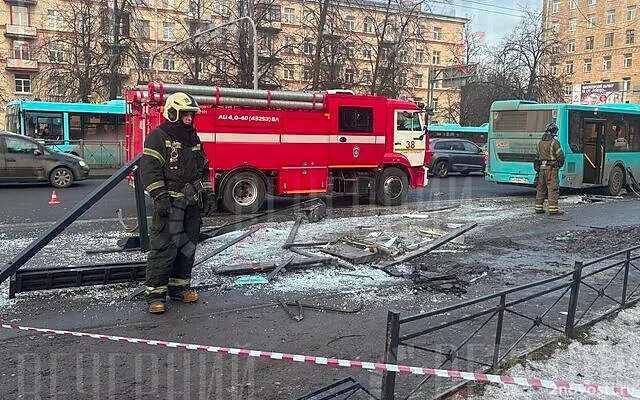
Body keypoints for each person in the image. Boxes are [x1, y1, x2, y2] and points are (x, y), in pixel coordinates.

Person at [139, 92, 215, 314]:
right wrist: (159, 196)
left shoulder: (193, 138)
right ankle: (155, 295)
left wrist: (209, 194)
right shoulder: (158, 136)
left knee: (187, 246)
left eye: (192, 115)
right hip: (170, 203)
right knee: (164, 248)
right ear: (173, 114)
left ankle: (180, 288)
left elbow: (203, 169)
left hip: (191, 203)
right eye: (186, 115)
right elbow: (149, 170)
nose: (190, 119)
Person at [534, 122, 565, 215]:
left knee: (541, 188)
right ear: (554, 132)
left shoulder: (539, 142)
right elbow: (561, 156)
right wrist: (559, 165)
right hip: (551, 169)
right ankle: (553, 210)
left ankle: (538, 208)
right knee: (553, 189)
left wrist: (537, 170)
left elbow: (536, 157)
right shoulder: (554, 143)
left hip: (541, 169)